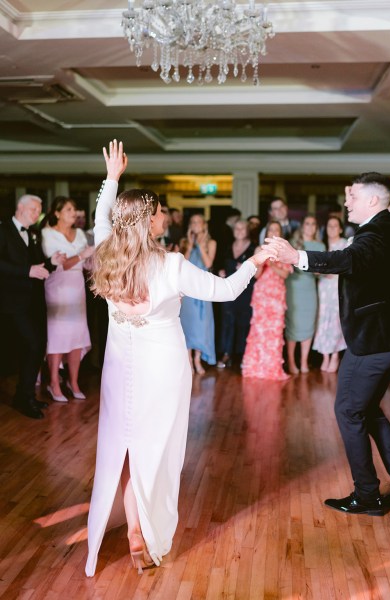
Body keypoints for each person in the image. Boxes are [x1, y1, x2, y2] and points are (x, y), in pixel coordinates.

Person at [84, 140, 275, 576]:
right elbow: (226, 291)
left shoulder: (106, 251)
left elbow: (100, 218)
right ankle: (143, 533)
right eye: (159, 213)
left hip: (119, 368)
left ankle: (136, 530)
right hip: (164, 368)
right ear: (150, 222)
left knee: (124, 450)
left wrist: (112, 178)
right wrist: (254, 261)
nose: (164, 218)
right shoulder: (170, 265)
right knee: (158, 452)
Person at [265, 172, 390, 516]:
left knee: (348, 410)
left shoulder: (378, 232)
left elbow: (349, 259)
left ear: (372, 200)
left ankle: (367, 496)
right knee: (367, 409)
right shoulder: (388, 227)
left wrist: (298, 258)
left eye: (352, 196)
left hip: (374, 340)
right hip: (384, 336)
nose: (345, 202)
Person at [0, 194, 65, 419]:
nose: (37, 213)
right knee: (32, 343)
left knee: (37, 346)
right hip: (11, 301)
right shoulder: (4, 230)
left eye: (39, 210)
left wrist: (52, 263)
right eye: (33, 209)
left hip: (34, 301)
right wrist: (26, 271)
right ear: (20, 206)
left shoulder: (34, 233)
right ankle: (23, 397)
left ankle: (25, 395)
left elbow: (37, 266)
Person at [42, 196, 94, 402]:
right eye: (69, 210)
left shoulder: (80, 233)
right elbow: (60, 264)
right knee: (57, 335)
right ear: (57, 213)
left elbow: (86, 263)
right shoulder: (48, 234)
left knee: (77, 336)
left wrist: (91, 260)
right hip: (58, 287)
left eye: (74, 210)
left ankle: (73, 382)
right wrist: (82, 256)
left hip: (77, 287)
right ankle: (54, 382)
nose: (74, 213)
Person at [242, 221, 293, 380]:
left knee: (275, 331)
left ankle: (272, 368)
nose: (273, 232)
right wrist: (263, 262)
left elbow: (285, 275)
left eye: (276, 230)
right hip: (262, 295)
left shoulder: (285, 251)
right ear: (266, 232)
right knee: (259, 330)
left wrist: (272, 265)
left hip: (277, 294)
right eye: (270, 229)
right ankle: (255, 367)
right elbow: (256, 276)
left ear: (280, 233)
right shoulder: (259, 249)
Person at [285, 215, 325, 374]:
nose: (310, 226)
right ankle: (291, 361)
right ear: (302, 226)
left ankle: (304, 361)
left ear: (316, 227)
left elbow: (322, 269)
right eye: (307, 223)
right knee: (293, 322)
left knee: (309, 322)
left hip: (309, 288)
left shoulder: (321, 245)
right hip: (294, 286)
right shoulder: (294, 244)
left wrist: (318, 271)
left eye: (313, 224)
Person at [179, 213, 217, 374]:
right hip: (186, 290)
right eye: (192, 222)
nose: (195, 224)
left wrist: (200, 245)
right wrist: (189, 246)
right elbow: (182, 265)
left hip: (202, 290)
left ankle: (197, 359)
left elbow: (208, 263)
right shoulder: (184, 242)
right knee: (187, 325)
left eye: (198, 222)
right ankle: (188, 360)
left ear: (204, 225)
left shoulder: (211, 242)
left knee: (202, 325)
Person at [216, 220, 256, 369]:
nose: (239, 230)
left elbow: (259, 271)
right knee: (227, 321)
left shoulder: (253, 248)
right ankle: (227, 353)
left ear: (247, 230)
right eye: (236, 228)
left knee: (244, 322)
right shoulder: (227, 246)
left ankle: (243, 355)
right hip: (229, 290)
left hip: (246, 291)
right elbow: (220, 264)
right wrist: (220, 272)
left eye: (242, 228)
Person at [312, 216, 347, 372]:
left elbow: (346, 265)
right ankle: (325, 356)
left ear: (340, 229)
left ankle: (335, 356)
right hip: (323, 286)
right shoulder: (323, 245)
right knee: (323, 319)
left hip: (337, 286)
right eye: (329, 226)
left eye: (335, 226)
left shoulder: (345, 244)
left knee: (335, 320)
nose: (332, 228)